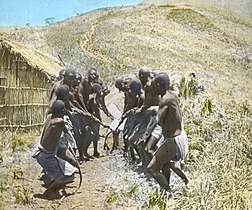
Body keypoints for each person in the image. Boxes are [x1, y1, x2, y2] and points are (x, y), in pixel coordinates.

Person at [147, 73, 189, 191]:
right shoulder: (172, 95)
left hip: (172, 140)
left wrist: (150, 112)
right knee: (166, 164)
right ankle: (185, 181)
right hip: (179, 137)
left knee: (152, 168)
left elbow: (157, 121)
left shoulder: (164, 100)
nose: (153, 88)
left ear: (159, 85)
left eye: (154, 85)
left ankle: (167, 191)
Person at [32, 100, 78, 195]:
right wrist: (68, 115)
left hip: (42, 153)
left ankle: (53, 186)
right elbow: (66, 132)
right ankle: (48, 193)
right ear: (62, 111)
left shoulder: (49, 117)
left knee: (69, 172)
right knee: (65, 177)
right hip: (47, 157)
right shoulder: (60, 122)